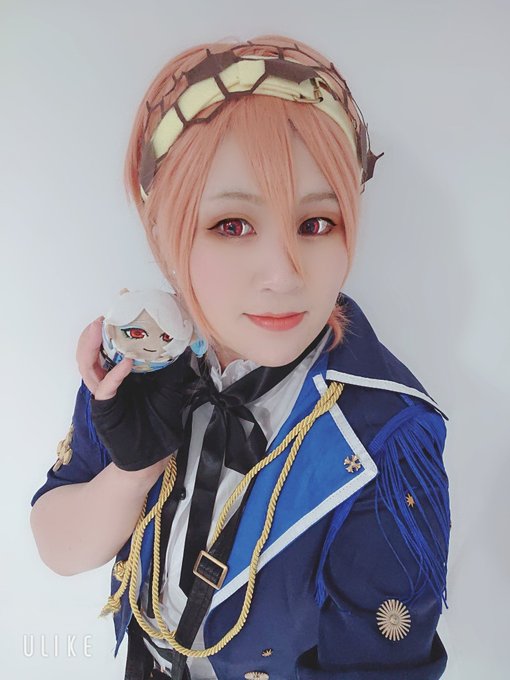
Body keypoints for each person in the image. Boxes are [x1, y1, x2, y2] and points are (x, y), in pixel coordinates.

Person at [30, 34, 451, 680]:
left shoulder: (384, 439)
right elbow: (57, 547)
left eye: (316, 224)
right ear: (167, 234)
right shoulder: (142, 356)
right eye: (233, 226)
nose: (284, 274)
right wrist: (133, 472)